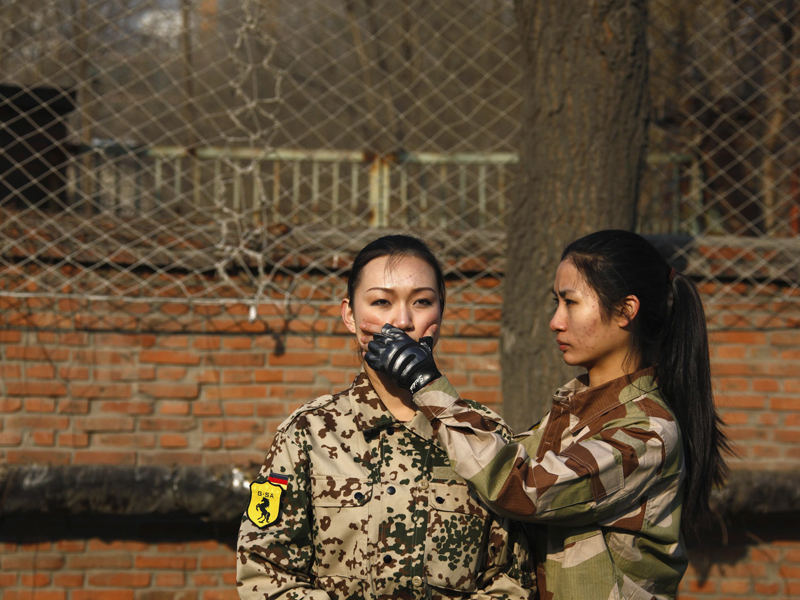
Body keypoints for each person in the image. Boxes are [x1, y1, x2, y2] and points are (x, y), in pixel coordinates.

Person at [364, 230, 730, 600]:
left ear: (626, 310)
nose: (556, 321)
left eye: (571, 302)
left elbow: (521, 488)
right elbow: (486, 462)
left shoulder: (646, 431)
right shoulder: (581, 408)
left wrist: (426, 383)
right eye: (556, 302)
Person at [237, 234, 536, 600]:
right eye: (381, 301)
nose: (403, 321)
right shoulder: (307, 433)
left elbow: (515, 581)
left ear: (441, 312)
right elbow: (264, 573)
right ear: (350, 315)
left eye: (422, 302)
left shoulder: (482, 434)